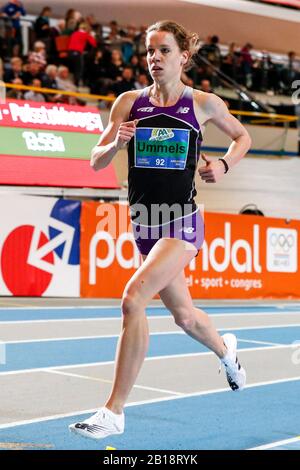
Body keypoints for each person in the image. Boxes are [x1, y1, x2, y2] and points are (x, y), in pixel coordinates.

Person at [69, 20, 251, 440]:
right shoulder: (128, 103)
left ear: (183, 57)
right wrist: (116, 142)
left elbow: (241, 138)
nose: (154, 58)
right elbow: (95, 160)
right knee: (185, 316)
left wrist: (222, 164)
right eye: (150, 51)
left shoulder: (203, 103)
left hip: (182, 220)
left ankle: (113, 412)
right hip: (144, 225)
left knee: (133, 299)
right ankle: (227, 353)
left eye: (163, 50)